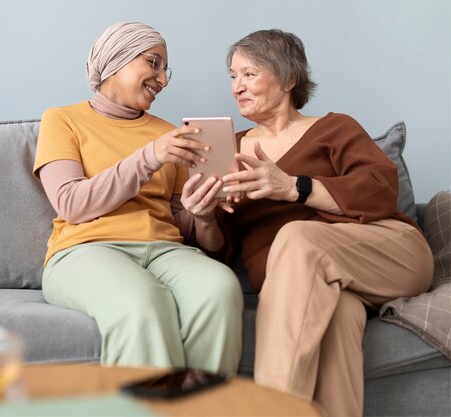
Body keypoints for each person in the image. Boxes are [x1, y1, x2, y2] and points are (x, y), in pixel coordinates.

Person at [212, 29, 433, 416]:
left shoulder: (335, 128)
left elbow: (380, 189)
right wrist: (201, 215)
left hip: (386, 252)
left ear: (288, 78)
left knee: (297, 237)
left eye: (248, 74)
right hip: (307, 283)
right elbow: (219, 246)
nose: (236, 87)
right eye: (232, 76)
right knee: (336, 321)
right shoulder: (227, 150)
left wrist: (292, 187)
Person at [32, 22, 243, 375]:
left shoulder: (168, 134)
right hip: (86, 250)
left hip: (166, 251)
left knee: (219, 287)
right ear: (118, 58)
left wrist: (203, 216)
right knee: (142, 300)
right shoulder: (62, 119)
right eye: (154, 63)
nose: (163, 80)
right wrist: (151, 156)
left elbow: (189, 228)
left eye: (165, 70)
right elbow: (72, 203)